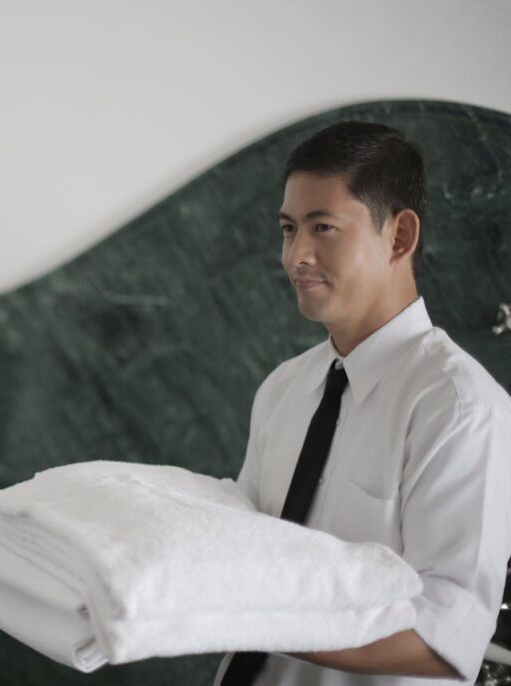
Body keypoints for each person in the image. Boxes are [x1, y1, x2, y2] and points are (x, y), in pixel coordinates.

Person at [213, 121, 511, 685]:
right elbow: (244, 554)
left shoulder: (460, 409)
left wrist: (252, 617)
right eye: (287, 229)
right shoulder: (282, 388)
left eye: (323, 227)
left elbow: (445, 637)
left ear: (399, 237)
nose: (296, 255)